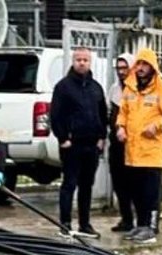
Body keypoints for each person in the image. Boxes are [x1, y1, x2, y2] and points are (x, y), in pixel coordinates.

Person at [49, 46, 108, 239]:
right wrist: (63, 138)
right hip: (72, 145)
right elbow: (55, 115)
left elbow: (102, 114)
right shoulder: (63, 87)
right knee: (69, 184)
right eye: (78, 59)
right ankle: (65, 223)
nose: (82, 63)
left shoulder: (96, 88)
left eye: (85, 60)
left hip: (92, 145)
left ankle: (85, 224)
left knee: (86, 185)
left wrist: (101, 137)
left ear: (90, 62)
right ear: (73, 62)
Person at [115, 48, 162, 245]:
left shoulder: (161, 86)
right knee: (136, 191)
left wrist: (157, 126)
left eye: (146, 64)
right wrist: (120, 127)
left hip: (152, 151)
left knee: (150, 193)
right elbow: (123, 112)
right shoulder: (129, 87)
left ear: (153, 66)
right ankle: (140, 224)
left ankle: (151, 227)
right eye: (140, 64)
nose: (142, 68)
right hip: (133, 151)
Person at [107, 53, 134, 233]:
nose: (122, 72)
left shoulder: (137, 90)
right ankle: (126, 218)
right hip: (116, 142)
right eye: (119, 69)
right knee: (118, 182)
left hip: (133, 143)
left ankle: (141, 221)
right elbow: (109, 112)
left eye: (125, 68)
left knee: (134, 183)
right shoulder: (114, 89)